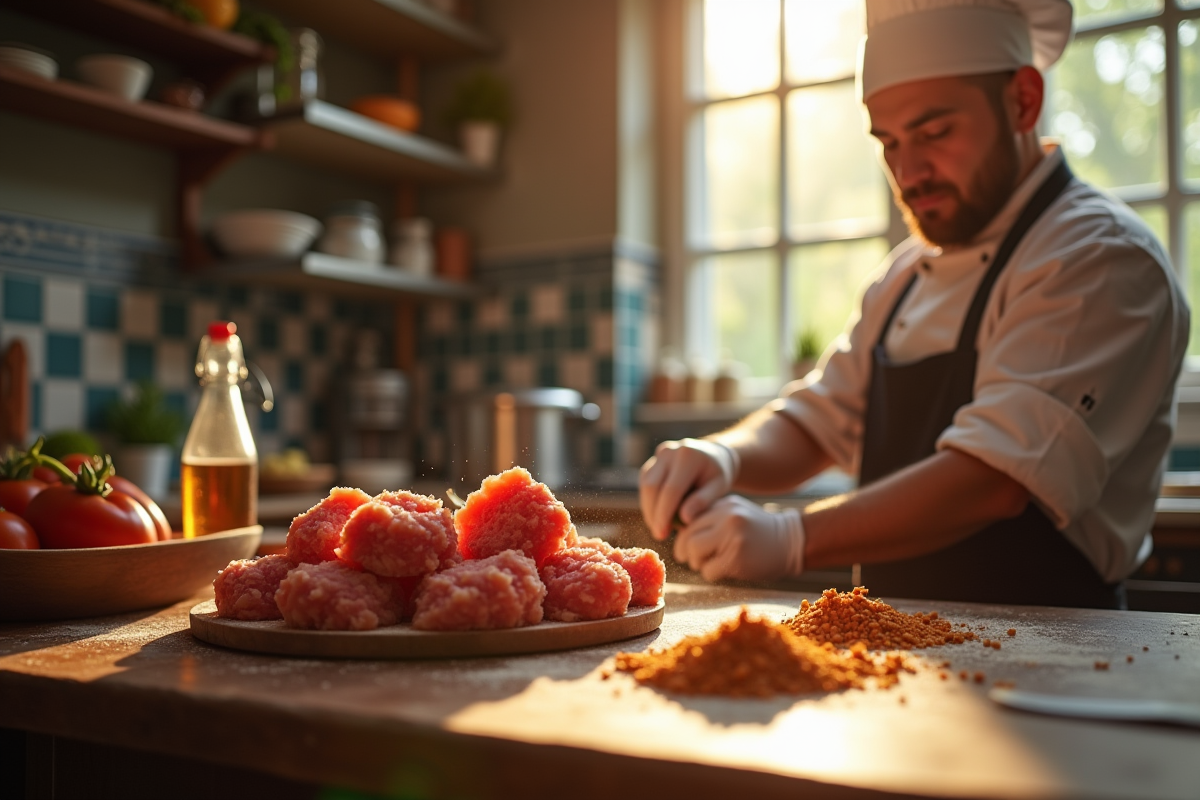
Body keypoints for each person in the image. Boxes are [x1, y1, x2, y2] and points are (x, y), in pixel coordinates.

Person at [639, 0, 1190, 609]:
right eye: (889, 142)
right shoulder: (903, 276)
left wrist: (792, 536)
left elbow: (995, 479)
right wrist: (722, 456)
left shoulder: (1099, 256)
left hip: (1052, 658)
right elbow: (819, 419)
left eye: (935, 133)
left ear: (1023, 101)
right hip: (899, 655)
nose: (909, 172)